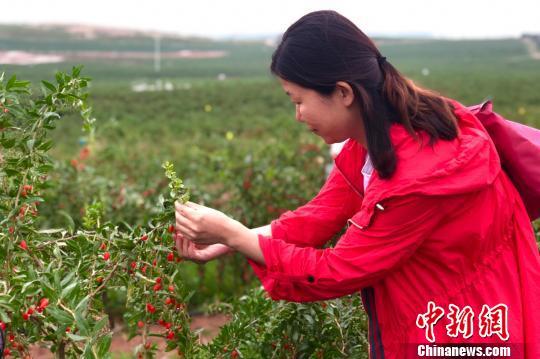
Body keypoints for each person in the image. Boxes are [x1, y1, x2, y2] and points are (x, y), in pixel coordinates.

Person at [174, 10, 540, 358]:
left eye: (299, 101)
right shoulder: (379, 139)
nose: (298, 115)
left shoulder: (421, 174)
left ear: (344, 93)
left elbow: (339, 269)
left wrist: (237, 236)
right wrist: (232, 239)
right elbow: (322, 213)